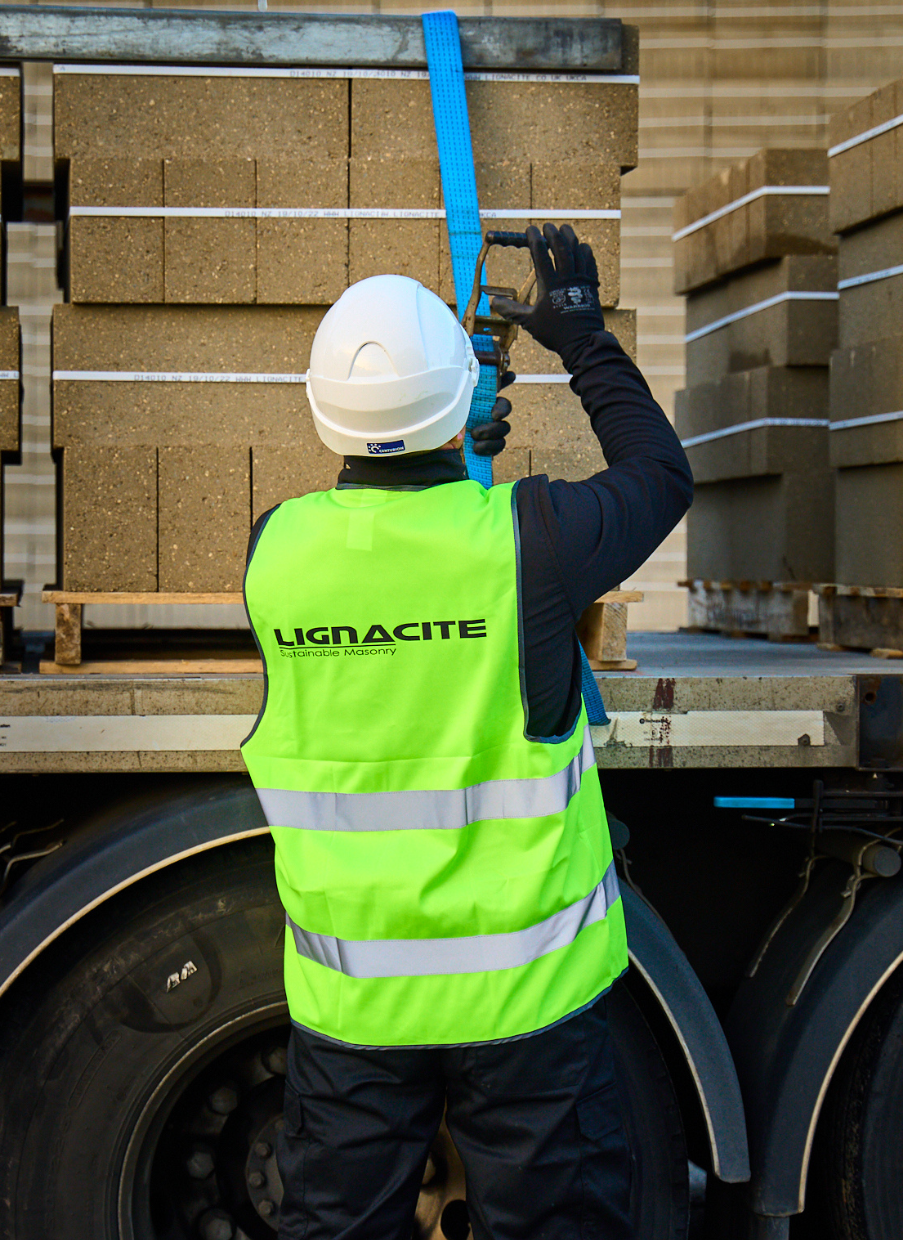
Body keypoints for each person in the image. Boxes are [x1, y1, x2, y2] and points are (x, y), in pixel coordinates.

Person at [238, 223, 693, 1240]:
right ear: (462, 405)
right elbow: (659, 476)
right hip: (528, 1004)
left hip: (354, 1009)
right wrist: (580, 334)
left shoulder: (276, 553)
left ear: (325, 414)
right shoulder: (530, 540)